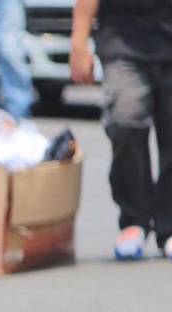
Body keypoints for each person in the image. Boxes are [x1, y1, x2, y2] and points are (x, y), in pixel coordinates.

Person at [71, 0, 172, 260]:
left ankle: (169, 226)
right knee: (125, 121)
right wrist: (79, 43)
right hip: (122, 41)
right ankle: (134, 220)